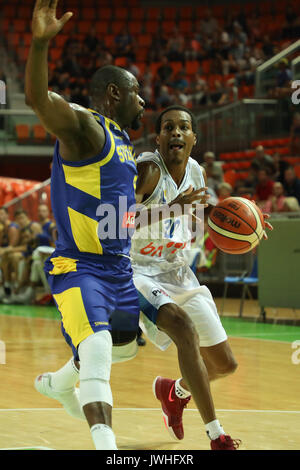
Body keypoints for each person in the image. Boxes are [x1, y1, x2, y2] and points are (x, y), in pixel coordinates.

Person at [25, 0, 145, 451]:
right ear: (113, 94)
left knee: (124, 348)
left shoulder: (125, 144)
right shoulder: (87, 129)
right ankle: (107, 448)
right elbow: (39, 100)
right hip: (79, 265)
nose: (144, 100)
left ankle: (58, 384)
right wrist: (40, 46)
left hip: (119, 269)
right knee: (96, 350)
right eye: (136, 92)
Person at [131, 105, 243, 450]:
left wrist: (241, 224)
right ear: (159, 138)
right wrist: (171, 208)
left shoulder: (197, 172)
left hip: (179, 270)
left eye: (183, 127)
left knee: (225, 364)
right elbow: (117, 222)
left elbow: (196, 211)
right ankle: (216, 435)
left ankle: (174, 392)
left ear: (193, 138)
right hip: (139, 270)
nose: (176, 132)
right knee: (183, 329)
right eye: (168, 127)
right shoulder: (148, 170)